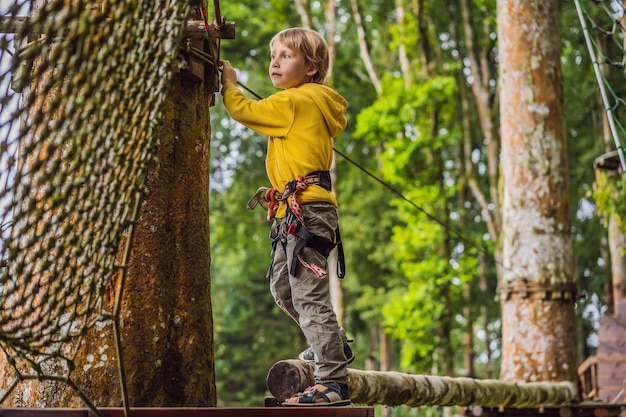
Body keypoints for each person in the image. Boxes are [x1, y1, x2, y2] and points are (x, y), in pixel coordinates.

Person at [219, 27, 352, 406]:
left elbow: (243, 110)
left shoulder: (296, 101)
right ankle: (332, 344)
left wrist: (230, 83)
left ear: (311, 68)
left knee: (308, 296)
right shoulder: (305, 101)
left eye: (286, 56)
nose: (275, 62)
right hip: (296, 212)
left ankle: (332, 381)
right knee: (283, 287)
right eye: (273, 55)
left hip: (307, 211)